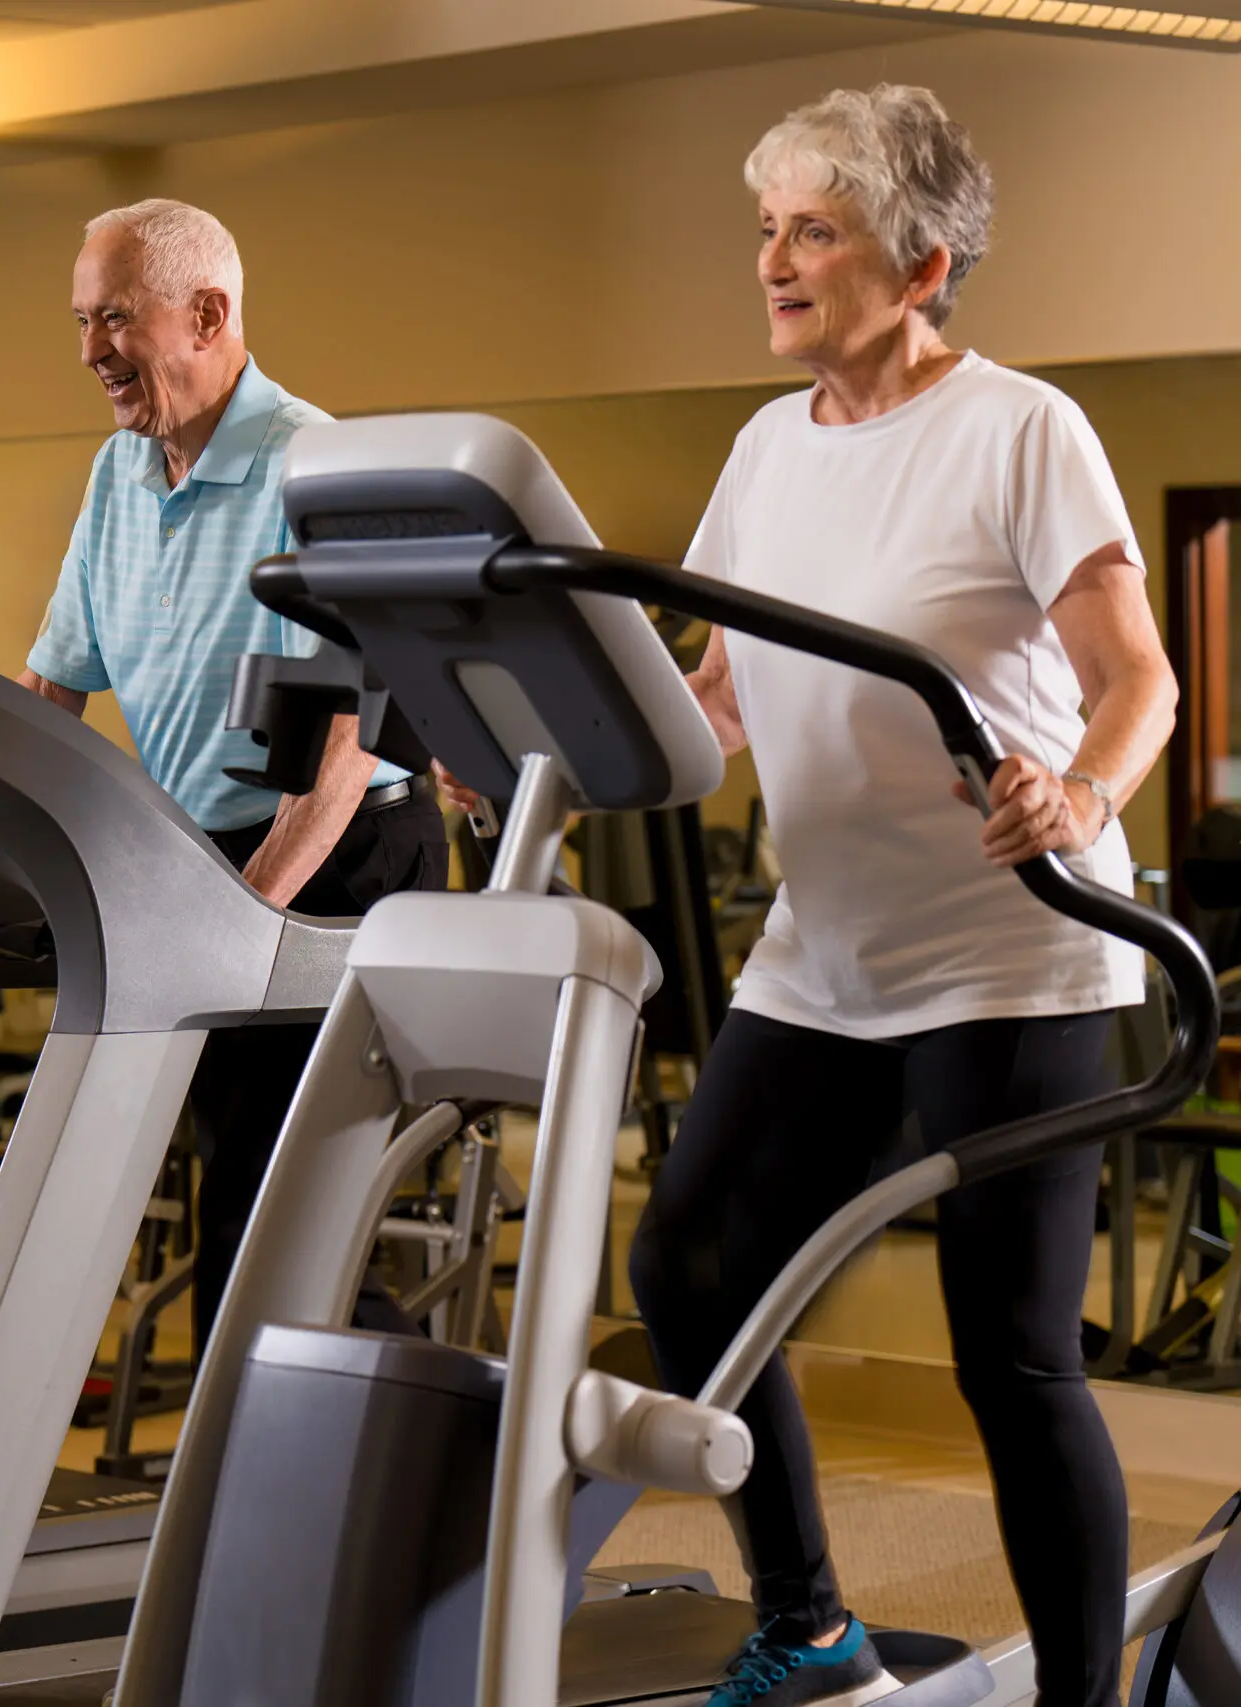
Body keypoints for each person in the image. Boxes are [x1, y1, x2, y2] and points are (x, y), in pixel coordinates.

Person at [618, 86, 1175, 1707]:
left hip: (1019, 948)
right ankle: (810, 1629)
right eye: (768, 229)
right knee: (689, 1267)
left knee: (1011, 1352)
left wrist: (1081, 792)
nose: (775, 261)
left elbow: (1137, 679)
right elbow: (714, 703)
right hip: (828, 952)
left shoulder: (1019, 429)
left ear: (922, 264)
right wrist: (550, 742)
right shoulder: (763, 449)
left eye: (817, 230)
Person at [0, 199, 448, 1346]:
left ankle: (431, 1442)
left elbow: (352, 740)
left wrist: (245, 917)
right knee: (247, 1222)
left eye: (115, 318)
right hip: (202, 863)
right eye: (81, 322)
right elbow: (48, 701)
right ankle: (391, 1441)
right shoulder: (117, 475)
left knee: (269, 1227)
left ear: (208, 315)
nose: (91, 350)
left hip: (340, 859)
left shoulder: (319, 468)